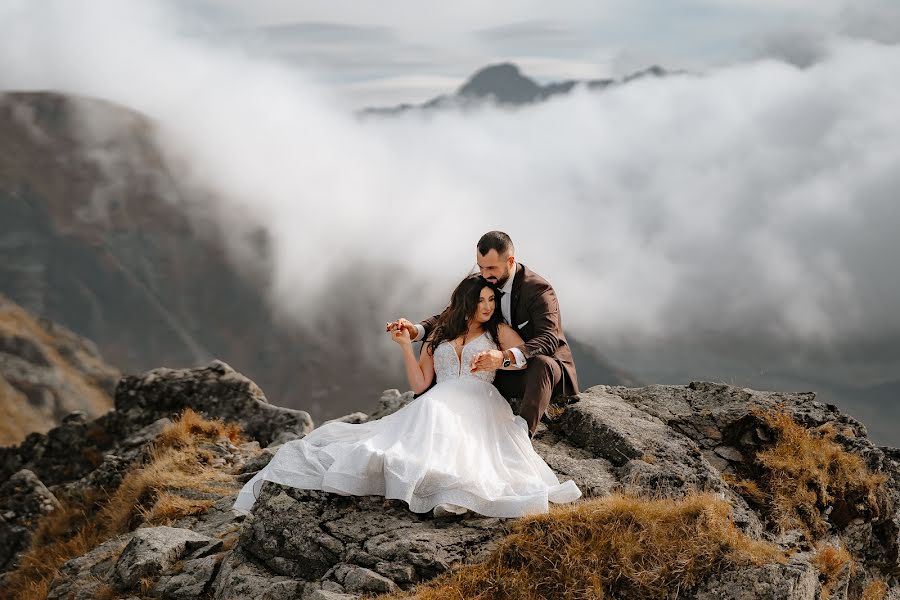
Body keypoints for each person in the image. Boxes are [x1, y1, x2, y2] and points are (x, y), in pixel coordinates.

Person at [233, 274, 581, 518]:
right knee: (397, 436)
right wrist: (404, 346)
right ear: (465, 303)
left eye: (491, 300)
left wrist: (498, 360)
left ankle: (444, 483)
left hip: (479, 399)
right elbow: (419, 384)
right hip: (437, 398)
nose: (487, 307)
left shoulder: (500, 331)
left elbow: (522, 362)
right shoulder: (439, 335)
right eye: (480, 301)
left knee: (454, 440)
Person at [390, 231, 579, 439]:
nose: (484, 273)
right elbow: (456, 312)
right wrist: (417, 330)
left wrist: (504, 357)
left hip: (537, 371)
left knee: (542, 363)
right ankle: (422, 428)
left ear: (510, 261)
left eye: (491, 267)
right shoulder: (485, 281)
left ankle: (521, 434)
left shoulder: (538, 290)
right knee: (447, 355)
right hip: (494, 372)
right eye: (480, 266)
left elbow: (549, 339)